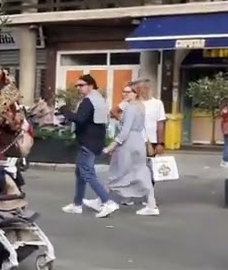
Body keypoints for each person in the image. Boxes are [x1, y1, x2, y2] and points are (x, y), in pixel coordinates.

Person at [59, 74, 115, 216]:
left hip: (88, 143)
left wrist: (64, 110)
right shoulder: (99, 100)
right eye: (77, 86)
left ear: (91, 85)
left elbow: (80, 119)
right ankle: (77, 204)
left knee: (87, 173)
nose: (78, 88)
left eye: (81, 85)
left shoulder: (89, 101)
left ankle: (108, 202)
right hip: (95, 141)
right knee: (80, 173)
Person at [102, 84, 157, 217]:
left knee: (118, 171)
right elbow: (139, 126)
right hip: (138, 141)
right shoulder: (141, 106)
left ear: (135, 93)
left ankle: (102, 199)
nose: (125, 94)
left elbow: (125, 130)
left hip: (129, 143)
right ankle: (151, 204)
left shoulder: (131, 107)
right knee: (141, 171)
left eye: (128, 92)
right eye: (123, 91)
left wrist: (112, 145)